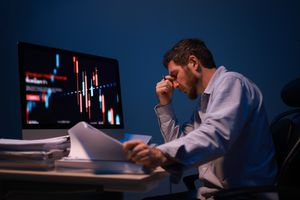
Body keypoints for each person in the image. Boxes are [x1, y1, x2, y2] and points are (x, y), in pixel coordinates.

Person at [123, 38, 278, 199]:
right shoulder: (204, 103)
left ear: (193, 62)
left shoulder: (231, 82)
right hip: (218, 194)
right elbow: (178, 142)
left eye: (174, 75)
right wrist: (165, 104)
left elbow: (215, 135)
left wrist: (160, 154)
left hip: (242, 196)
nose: (174, 84)